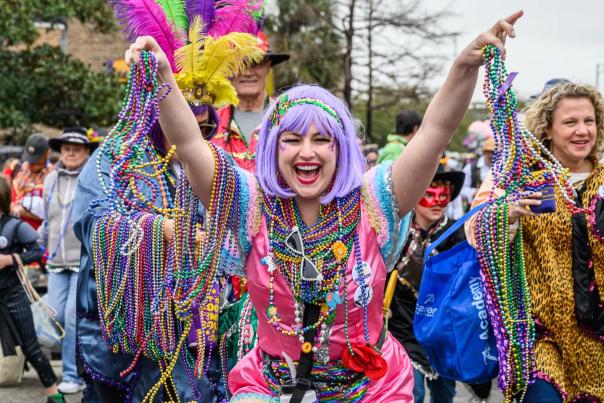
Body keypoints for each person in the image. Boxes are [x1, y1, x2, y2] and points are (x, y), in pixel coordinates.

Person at [124, 9, 522, 400]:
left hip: (372, 390)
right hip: (270, 388)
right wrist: (162, 74)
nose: (306, 152)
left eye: (321, 140)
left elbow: (435, 132)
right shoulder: (250, 204)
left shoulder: (374, 200)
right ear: (273, 149)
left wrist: (463, 68)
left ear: (341, 148)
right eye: (292, 140)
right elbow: (192, 146)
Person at [73, 106, 223, 403]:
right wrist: (160, 231)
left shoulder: (208, 165)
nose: (192, 136)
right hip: (127, 339)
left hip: (191, 332)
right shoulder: (117, 159)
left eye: (204, 129)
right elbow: (95, 224)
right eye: (180, 125)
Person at [466, 82, 604, 401]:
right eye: (570, 122)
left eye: (589, 121)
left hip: (598, 340)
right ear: (548, 129)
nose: (582, 130)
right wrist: (507, 215)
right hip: (542, 341)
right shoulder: (526, 181)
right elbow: (475, 231)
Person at [388, 168, 465, 403]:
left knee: (444, 394)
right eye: (430, 193)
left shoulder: (457, 232)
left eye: (444, 194)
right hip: (403, 325)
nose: (437, 202)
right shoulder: (396, 234)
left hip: (442, 330)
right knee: (414, 392)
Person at [39, 128, 98, 395]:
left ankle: (73, 374)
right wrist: (40, 247)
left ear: (87, 152)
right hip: (55, 262)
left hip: (81, 262)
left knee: (74, 319)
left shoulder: (92, 178)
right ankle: (80, 365)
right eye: (65, 148)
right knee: (55, 316)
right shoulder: (50, 179)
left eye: (76, 148)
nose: (70, 152)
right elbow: (47, 220)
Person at [0, 175, 64, 403]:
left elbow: (38, 252)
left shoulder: (14, 225)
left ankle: (55, 396)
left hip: (13, 296)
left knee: (31, 349)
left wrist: (11, 259)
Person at [212, 32, 290, 172]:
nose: (247, 72)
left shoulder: (289, 118)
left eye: (255, 63)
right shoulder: (210, 124)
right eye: (241, 63)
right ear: (228, 69)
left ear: (268, 67)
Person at [9, 133, 53, 230]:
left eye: (36, 161)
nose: (31, 164)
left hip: (35, 234)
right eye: (29, 158)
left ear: (47, 154)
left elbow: (53, 216)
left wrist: (25, 213)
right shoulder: (15, 167)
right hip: (9, 230)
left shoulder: (53, 177)